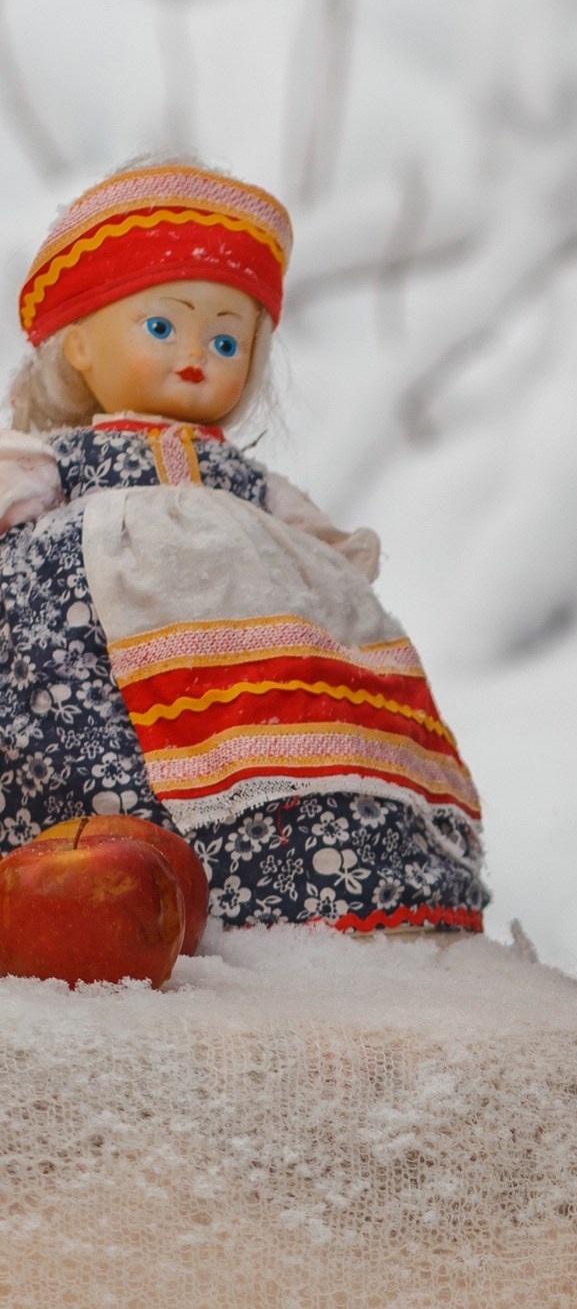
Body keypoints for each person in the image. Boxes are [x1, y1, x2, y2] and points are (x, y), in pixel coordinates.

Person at [0, 161, 485, 933]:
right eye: (162, 326)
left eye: (226, 339)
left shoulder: (248, 490)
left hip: (253, 638)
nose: (196, 355)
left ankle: (320, 882)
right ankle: (87, 881)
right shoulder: (54, 466)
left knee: (305, 723)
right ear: (81, 349)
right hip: (92, 626)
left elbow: (324, 546)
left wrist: (332, 581)